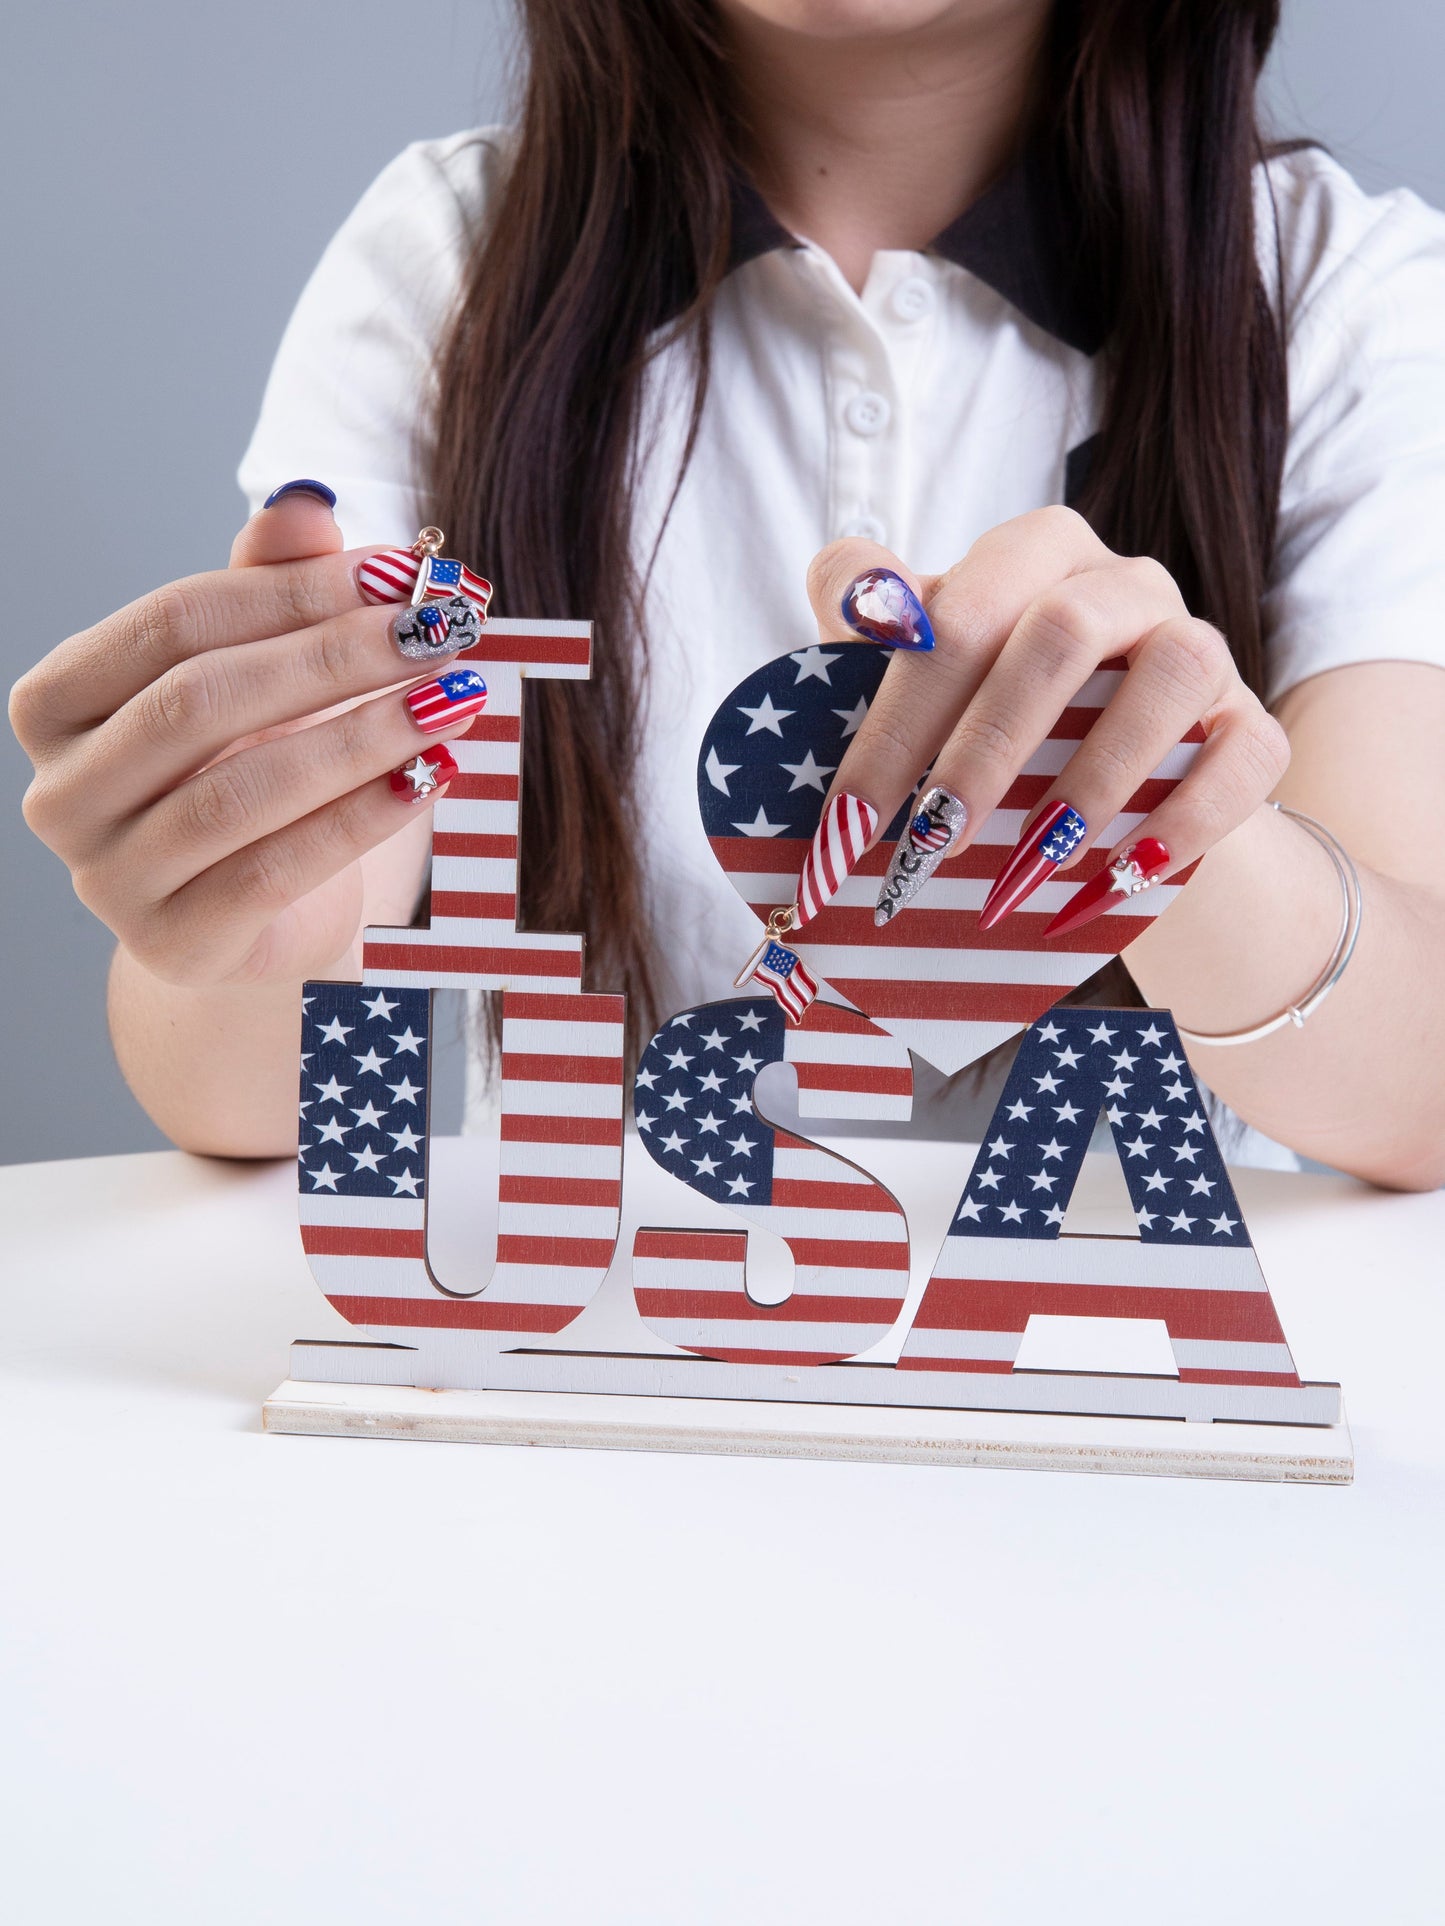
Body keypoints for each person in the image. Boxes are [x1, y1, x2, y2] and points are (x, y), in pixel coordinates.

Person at [9, 0, 1445, 1188]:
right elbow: (234, 1080)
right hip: (595, 1418)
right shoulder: (452, 267)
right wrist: (262, 922)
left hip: (1132, 1450)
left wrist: (1165, 829)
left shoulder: (1342, 301)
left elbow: (1417, 1083)